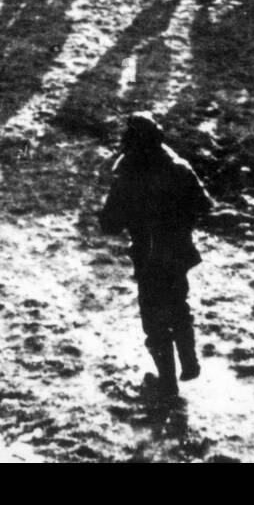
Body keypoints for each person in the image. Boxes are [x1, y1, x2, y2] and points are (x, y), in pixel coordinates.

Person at [100, 112, 213, 399]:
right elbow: (204, 205)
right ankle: (189, 362)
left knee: (154, 321)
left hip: (149, 258)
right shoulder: (180, 167)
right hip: (178, 253)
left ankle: (167, 383)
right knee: (178, 306)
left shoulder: (128, 176)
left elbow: (109, 224)